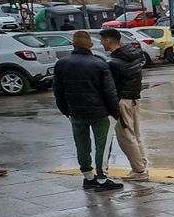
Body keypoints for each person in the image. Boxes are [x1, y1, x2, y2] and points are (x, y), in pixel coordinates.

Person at [52, 31, 123, 192]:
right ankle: (102, 179)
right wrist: (115, 112)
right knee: (102, 146)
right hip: (100, 113)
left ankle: (88, 177)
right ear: (90, 44)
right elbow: (109, 92)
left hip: (75, 113)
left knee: (82, 145)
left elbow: (58, 91)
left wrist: (66, 111)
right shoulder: (99, 63)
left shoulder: (61, 64)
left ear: (73, 44)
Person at [99, 28, 149, 180]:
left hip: (121, 101)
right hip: (133, 99)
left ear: (108, 40)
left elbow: (109, 86)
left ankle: (139, 171)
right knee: (135, 135)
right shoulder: (132, 55)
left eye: (102, 40)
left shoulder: (115, 62)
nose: (101, 43)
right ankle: (142, 165)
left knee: (126, 137)